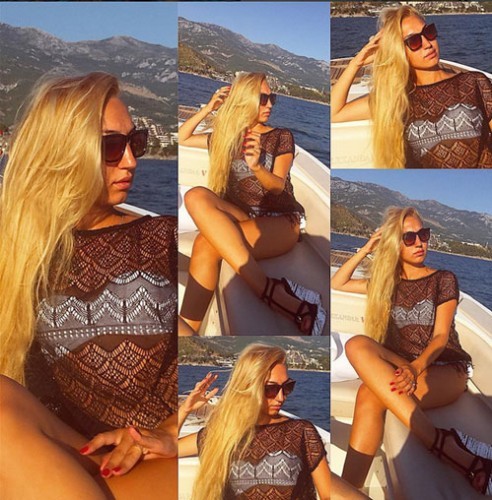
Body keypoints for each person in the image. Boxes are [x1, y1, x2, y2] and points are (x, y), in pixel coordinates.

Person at [0, 72, 178, 498]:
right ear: (64, 151)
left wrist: (171, 429)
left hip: (160, 460)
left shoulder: (160, 239)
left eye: (136, 142)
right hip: (76, 462)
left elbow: (219, 364)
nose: (131, 161)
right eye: (112, 147)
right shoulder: (17, 254)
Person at [331, 206, 491, 495]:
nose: (420, 243)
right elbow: (336, 282)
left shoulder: (443, 279)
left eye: (423, 234)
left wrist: (415, 368)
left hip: (446, 368)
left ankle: (348, 489)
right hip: (404, 365)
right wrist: (367, 248)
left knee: (369, 394)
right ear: (395, 243)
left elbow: (441, 337)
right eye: (409, 237)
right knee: (356, 344)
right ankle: (350, 492)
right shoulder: (386, 284)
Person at [178, 72, 324, 336]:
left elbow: (277, 186)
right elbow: (183, 137)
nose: (270, 105)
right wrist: (209, 109)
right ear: (245, 100)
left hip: (283, 222)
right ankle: (188, 336)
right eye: (263, 98)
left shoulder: (281, 136)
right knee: (195, 196)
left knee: (205, 244)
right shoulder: (226, 138)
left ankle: (188, 329)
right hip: (245, 217)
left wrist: (257, 167)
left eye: (272, 98)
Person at [331, 5, 492, 168]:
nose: (427, 44)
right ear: (399, 51)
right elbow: (335, 112)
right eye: (414, 41)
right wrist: (356, 63)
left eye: (429, 32)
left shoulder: (474, 82)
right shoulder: (395, 99)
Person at [178, 343, 331, 500]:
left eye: (287, 387)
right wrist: (185, 409)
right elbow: (170, 449)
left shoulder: (301, 431)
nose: (281, 397)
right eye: (271, 388)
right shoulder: (221, 435)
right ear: (249, 387)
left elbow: (327, 495)